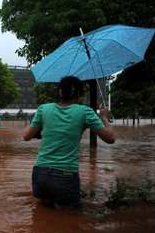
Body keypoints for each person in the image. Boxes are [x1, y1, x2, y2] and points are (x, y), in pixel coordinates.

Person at [23, 76, 115, 209]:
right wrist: (105, 117)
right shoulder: (85, 112)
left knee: (44, 216)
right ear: (78, 94)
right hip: (65, 175)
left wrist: (34, 123)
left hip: (40, 172)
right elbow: (110, 138)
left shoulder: (43, 109)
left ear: (59, 92)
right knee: (67, 220)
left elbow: (26, 136)